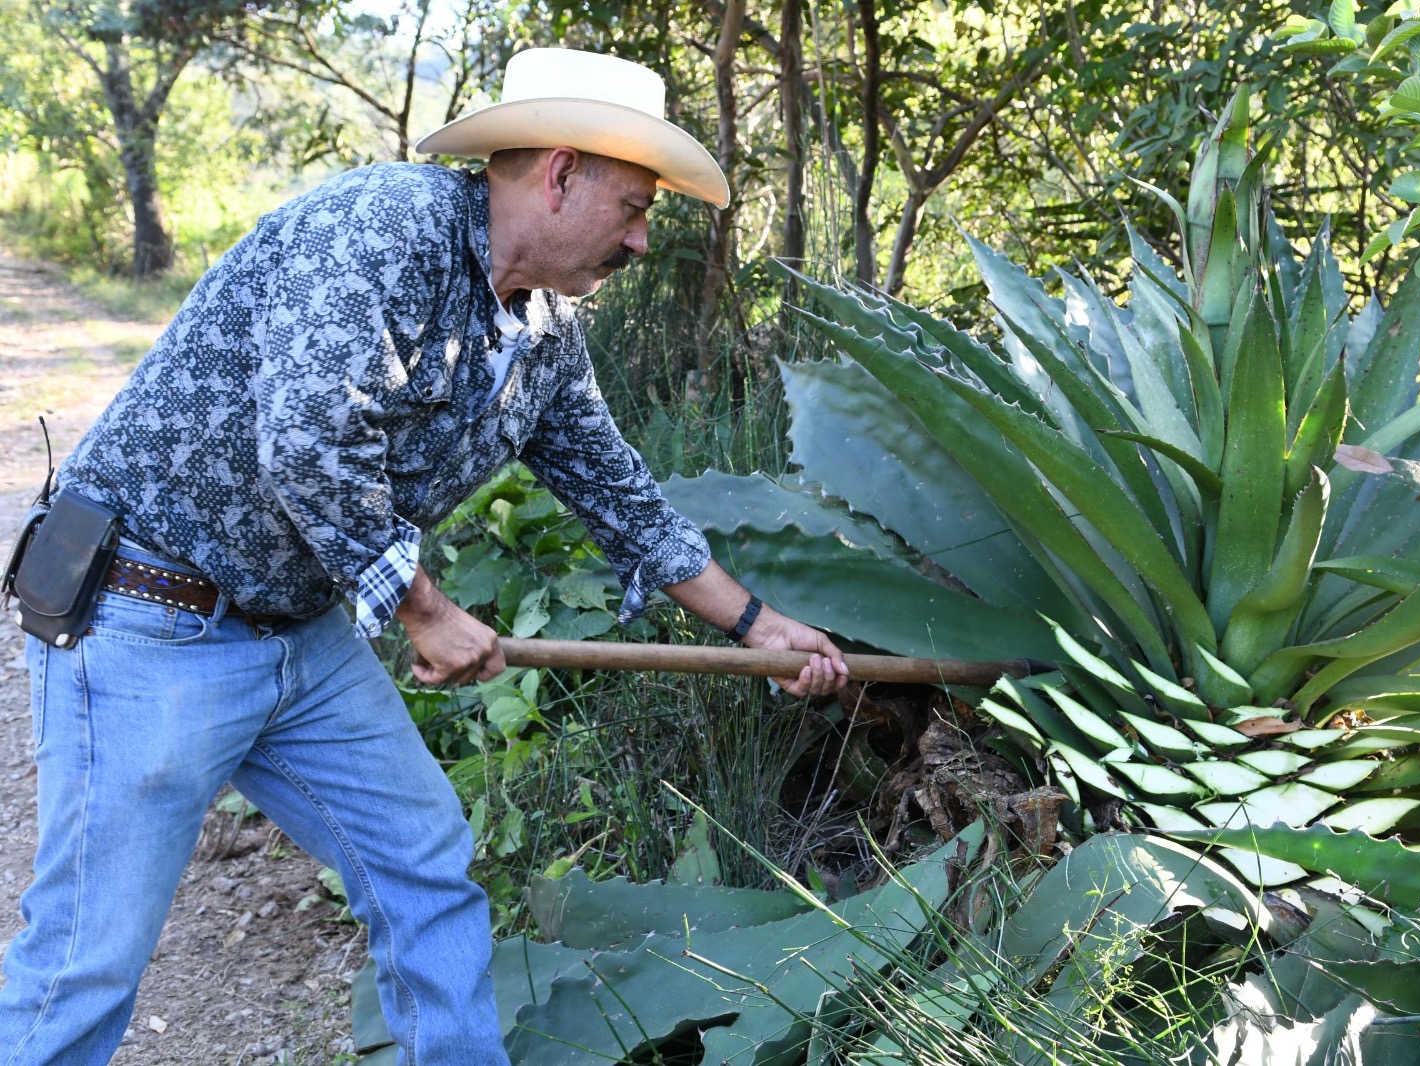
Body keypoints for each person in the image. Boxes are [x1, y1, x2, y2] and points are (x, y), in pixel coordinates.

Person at [0, 47, 848, 1066]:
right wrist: (426, 610)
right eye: (631, 205)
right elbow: (309, 436)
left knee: (426, 865)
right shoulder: (385, 227)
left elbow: (619, 491)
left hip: (297, 633)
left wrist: (759, 627)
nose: (640, 236)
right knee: (85, 962)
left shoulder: (542, 332)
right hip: (147, 613)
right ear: (561, 172)